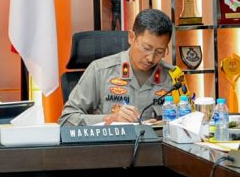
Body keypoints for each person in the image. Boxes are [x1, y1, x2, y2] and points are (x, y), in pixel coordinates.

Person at [59, 9, 187, 126]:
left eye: (160, 51)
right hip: (112, 143)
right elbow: (66, 120)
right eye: (146, 48)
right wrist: (109, 119)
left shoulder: (173, 77)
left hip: (156, 144)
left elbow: (187, 122)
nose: (151, 58)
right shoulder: (100, 71)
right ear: (131, 38)